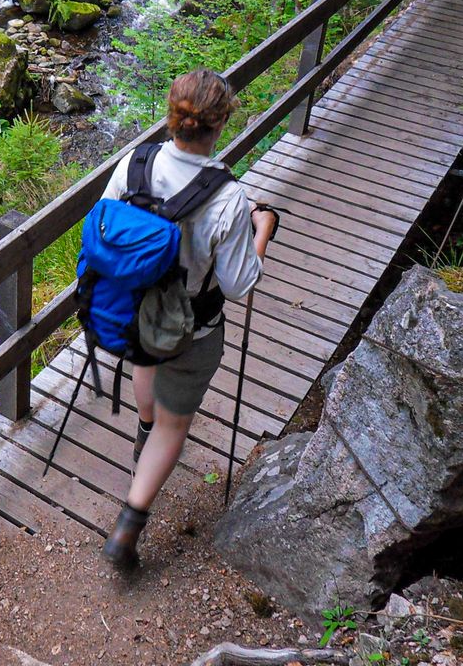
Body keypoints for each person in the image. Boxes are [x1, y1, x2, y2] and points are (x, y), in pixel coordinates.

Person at [100, 68, 277, 568]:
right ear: (220, 126)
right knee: (176, 422)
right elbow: (241, 283)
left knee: (146, 360)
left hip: (133, 310)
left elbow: (107, 225)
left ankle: (142, 427)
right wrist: (261, 228)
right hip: (191, 329)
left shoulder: (134, 165)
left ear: (170, 115)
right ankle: (128, 525)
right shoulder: (229, 198)